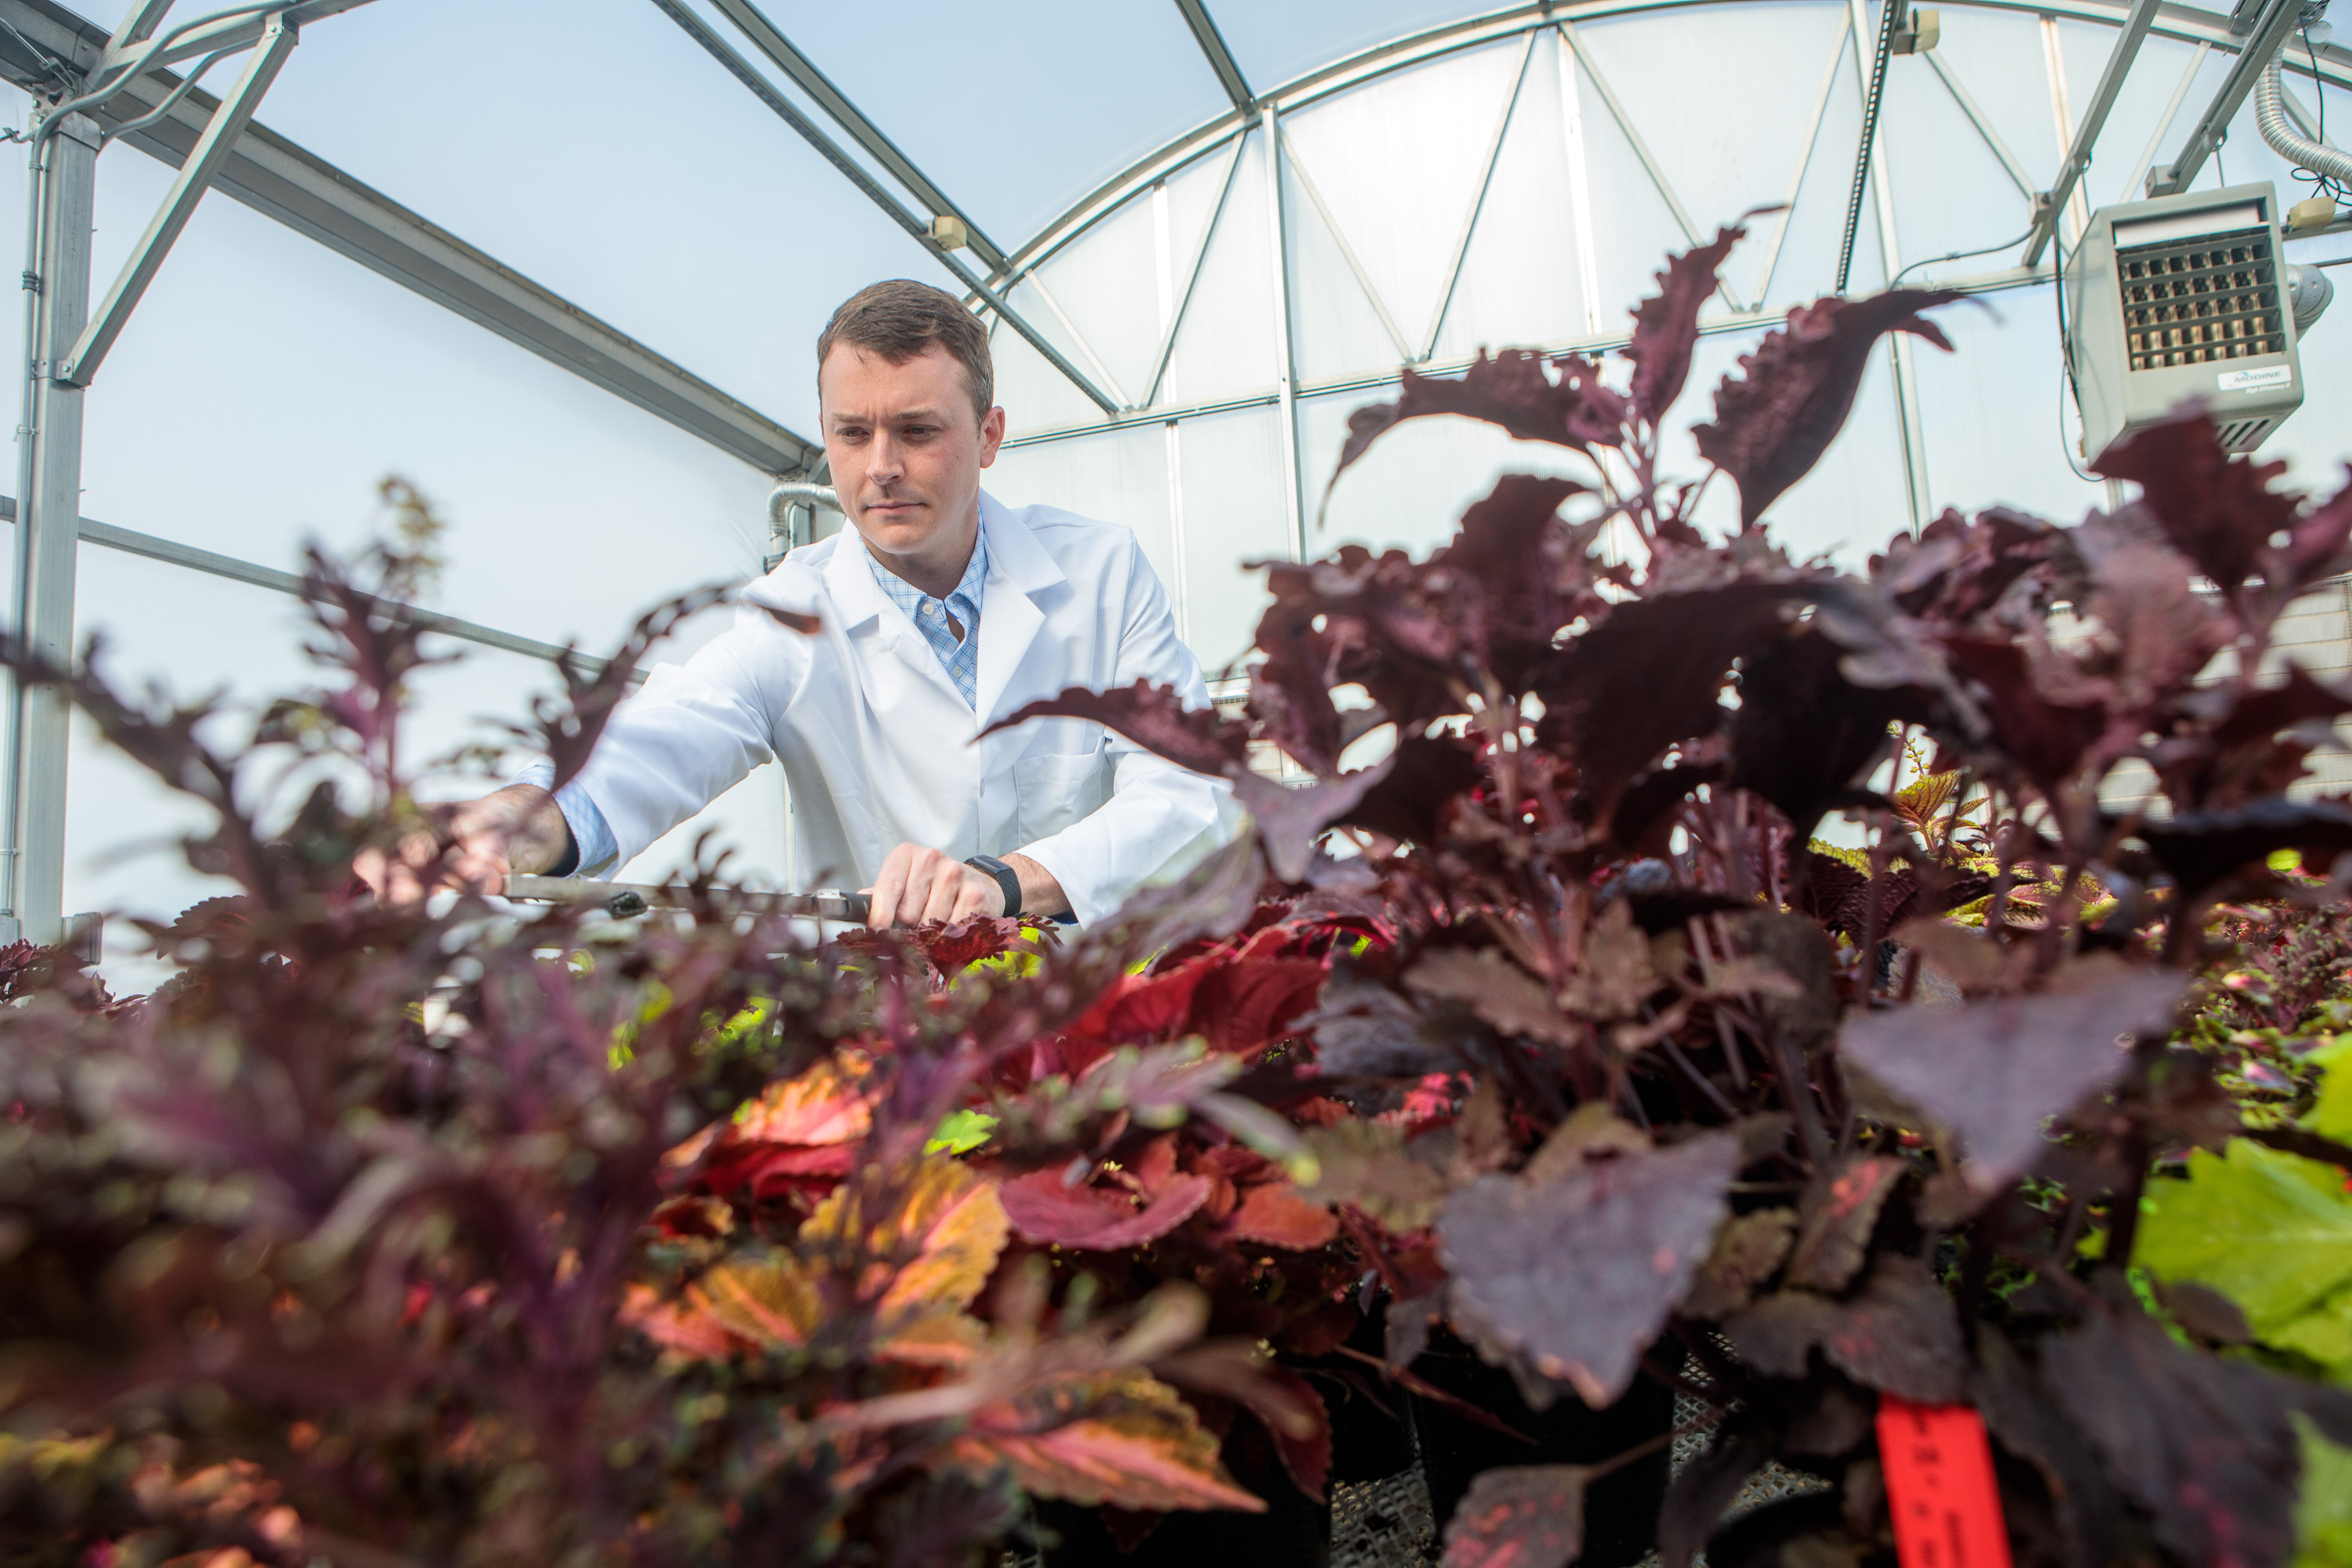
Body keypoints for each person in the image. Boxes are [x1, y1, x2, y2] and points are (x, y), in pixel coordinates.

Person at [360, 280, 1234, 929]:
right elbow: (667, 736)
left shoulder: (1101, 573)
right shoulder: (793, 611)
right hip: (904, 1024)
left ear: (989, 436)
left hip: (1105, 1015)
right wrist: (527, 820)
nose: (880, 465)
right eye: (851, 433)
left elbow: (1191, 796)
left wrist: (1009, 880)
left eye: (918, 431)